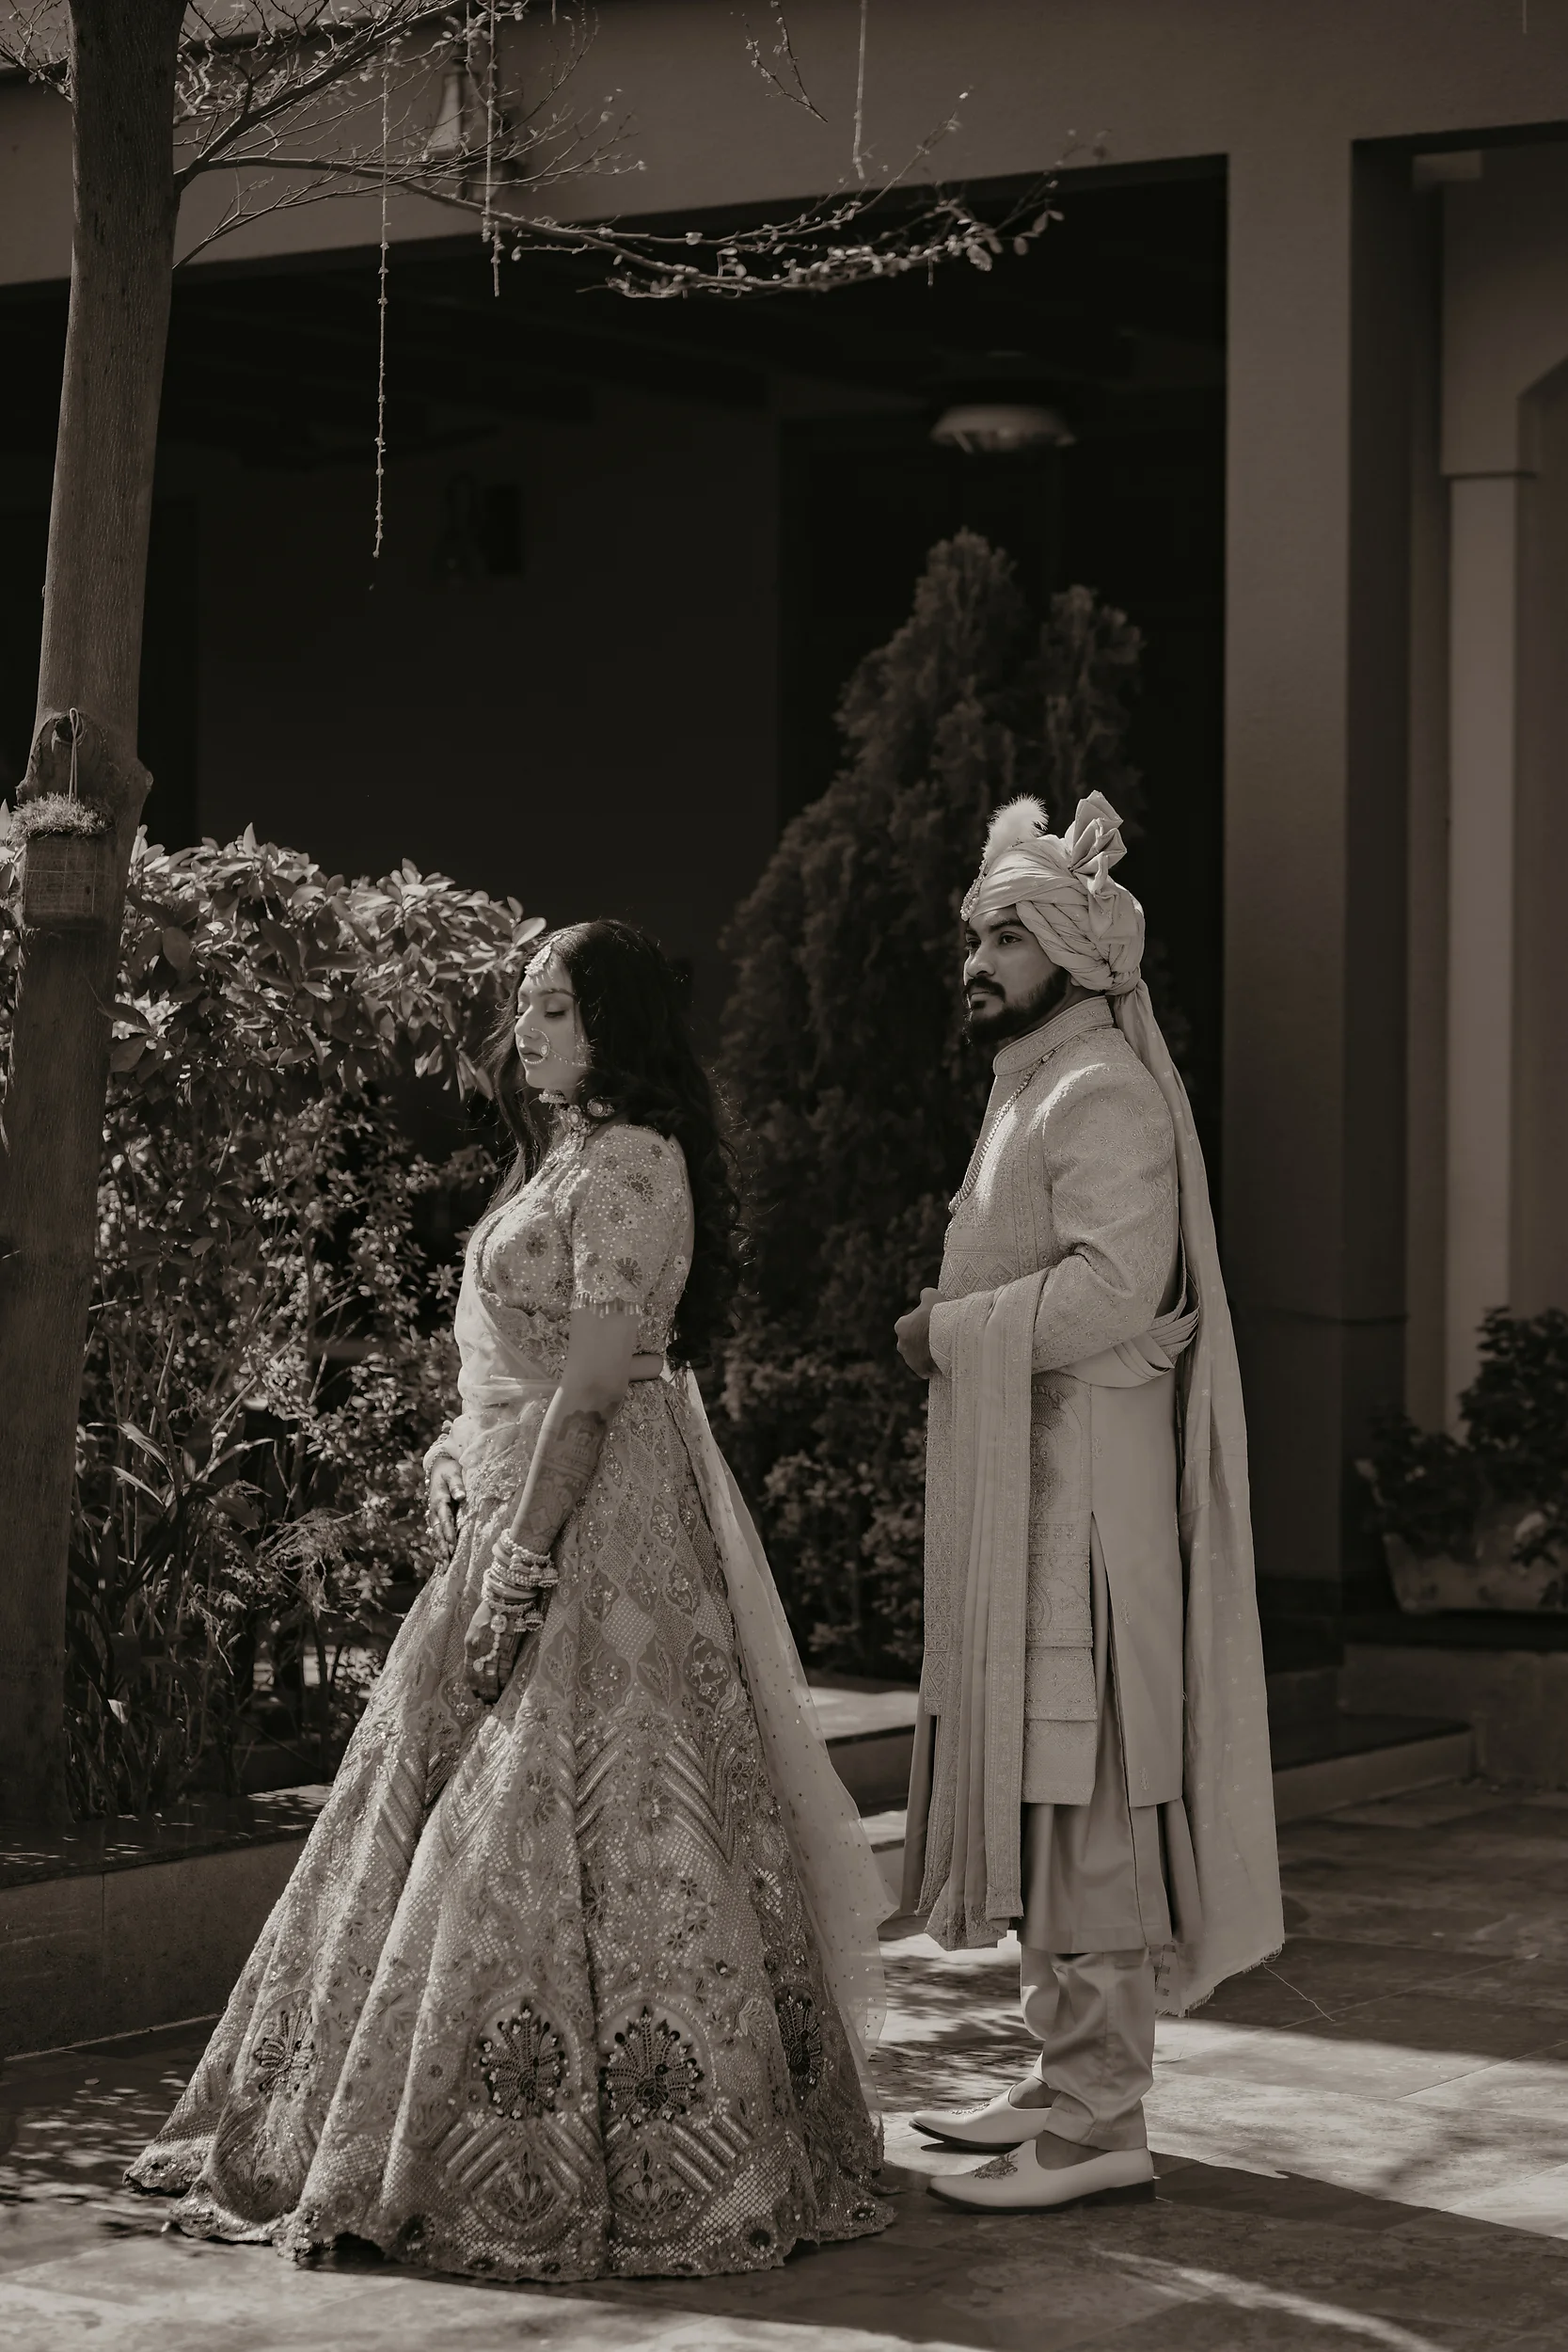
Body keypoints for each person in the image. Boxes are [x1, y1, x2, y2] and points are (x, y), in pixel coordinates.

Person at [130, 919, 893, 2280]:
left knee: (575, 1801)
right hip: (518, 1494)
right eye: (526, 1005)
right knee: (455, 1802)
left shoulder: (637, 1164)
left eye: (556, 1008)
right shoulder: (565, 1156)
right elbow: (514, 1367)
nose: (526, 1031)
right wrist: (457, 1458)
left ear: (618, 1026)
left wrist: (523, 1566)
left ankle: (621, 2162)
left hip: (602, 1530)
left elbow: (593, 1388)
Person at [893, 794, 1281, 2213]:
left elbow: (1117, 1289)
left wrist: (946, 1332)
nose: (976, 960)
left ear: (1072, 950)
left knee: (1090, 1814)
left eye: (1006, 936)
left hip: (1088, 1529)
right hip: (1038, 1499)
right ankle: (1062, 2078)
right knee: (1044, 1804)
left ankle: (1102, 2122)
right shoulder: (1031, 1083)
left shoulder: (1099, 1088)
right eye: (975, 936)